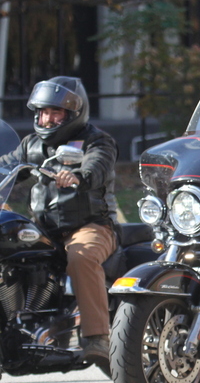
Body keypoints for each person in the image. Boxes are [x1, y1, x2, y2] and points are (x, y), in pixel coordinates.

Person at [0, 76, 119, 363]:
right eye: (43, 112)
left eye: (56, 113)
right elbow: (7, 165)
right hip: (45, 229)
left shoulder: (96, 140)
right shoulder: (30, 145)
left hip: (90, 226)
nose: (48, 118)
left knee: (80, 258)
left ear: (73, 114)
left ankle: (97, 337)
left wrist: (78, 176)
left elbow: (98, 166)